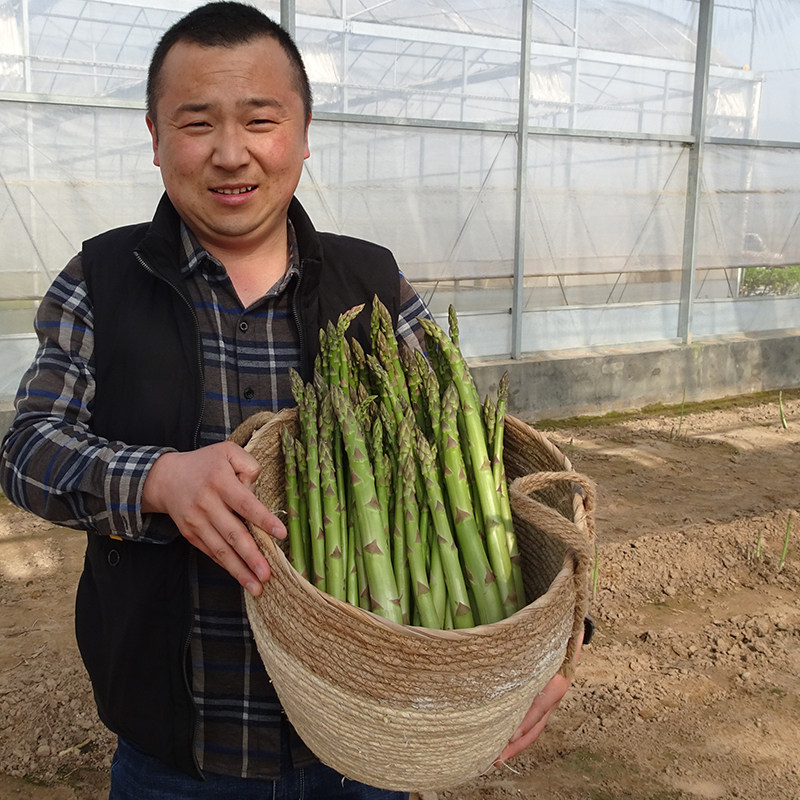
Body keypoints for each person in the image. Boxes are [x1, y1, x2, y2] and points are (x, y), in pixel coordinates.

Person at [0, 3, 585, 798]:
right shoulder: (98, 281)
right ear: (155, 136)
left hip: (369, 750)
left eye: (261, 120)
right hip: (178, 756)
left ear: (304, 132)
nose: (231, 152)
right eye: (197, 122)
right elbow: (29, 449)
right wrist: (156, 479)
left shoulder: (372, 283)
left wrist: (554, 645)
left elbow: (481, 479)